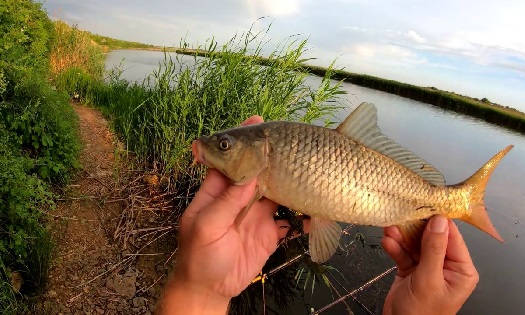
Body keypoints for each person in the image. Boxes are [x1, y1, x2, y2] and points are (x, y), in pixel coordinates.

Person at [159, 116, 480, 315]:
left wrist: (197, 292)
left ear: (260, 150)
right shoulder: (256, 180)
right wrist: (201, 288)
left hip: (402, 195)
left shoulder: (267, 160)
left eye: (225, 145)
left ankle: (458, 200)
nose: (217, 147)